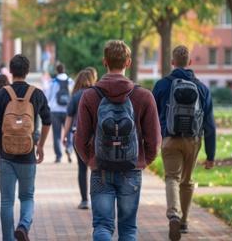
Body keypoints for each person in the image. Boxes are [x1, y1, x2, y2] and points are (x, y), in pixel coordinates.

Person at [74, 40, 161, 240]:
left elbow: (80, 140)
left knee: (102, 227)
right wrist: (142, 161)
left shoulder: (89, 96)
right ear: (128, 63)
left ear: (105, 62)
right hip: (131, 170)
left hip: (101, 169)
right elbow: (155, 140)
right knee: (128, 229)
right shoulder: (143, 96)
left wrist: (91, 161)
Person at [152, 45, 216, 241]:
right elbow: (210, 125)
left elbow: (152, 117)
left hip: (170, 138)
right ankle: (184, 222)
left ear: (173, 62)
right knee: (186, 181)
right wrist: (210, 155)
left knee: (172, 177)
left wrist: (151, 143)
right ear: (190, 62)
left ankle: (173, 214)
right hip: (193, 140)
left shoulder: (162, 85)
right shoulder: (202, 88)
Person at [0, 54, 51, 241]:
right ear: (28, 72)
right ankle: (23, 225)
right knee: (27, 197)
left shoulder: (2, 94)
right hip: (28, 154)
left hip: (6, 156)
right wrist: (41, 145)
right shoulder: (36, 94)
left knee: (6, 201)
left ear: (11, 71)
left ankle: (9, 238)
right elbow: (48, 120)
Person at [62, 68, 98, 210]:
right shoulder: (96, 94)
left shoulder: (76, 96)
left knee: (82, 169)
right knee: (96, 168)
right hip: (96, 136)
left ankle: (84, 200)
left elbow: (69, 118)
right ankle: (98, 199)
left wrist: (65, 137)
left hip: (78, 135)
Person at [44, 63, 74, 163]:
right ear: (64, 70)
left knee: (56, 134)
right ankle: (69, 148)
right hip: (68, 111)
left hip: (55, 111)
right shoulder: (70, 82)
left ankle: (58, 156)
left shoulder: (53, 82)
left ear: (57, 71)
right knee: (69, 132)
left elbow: (47, 96)